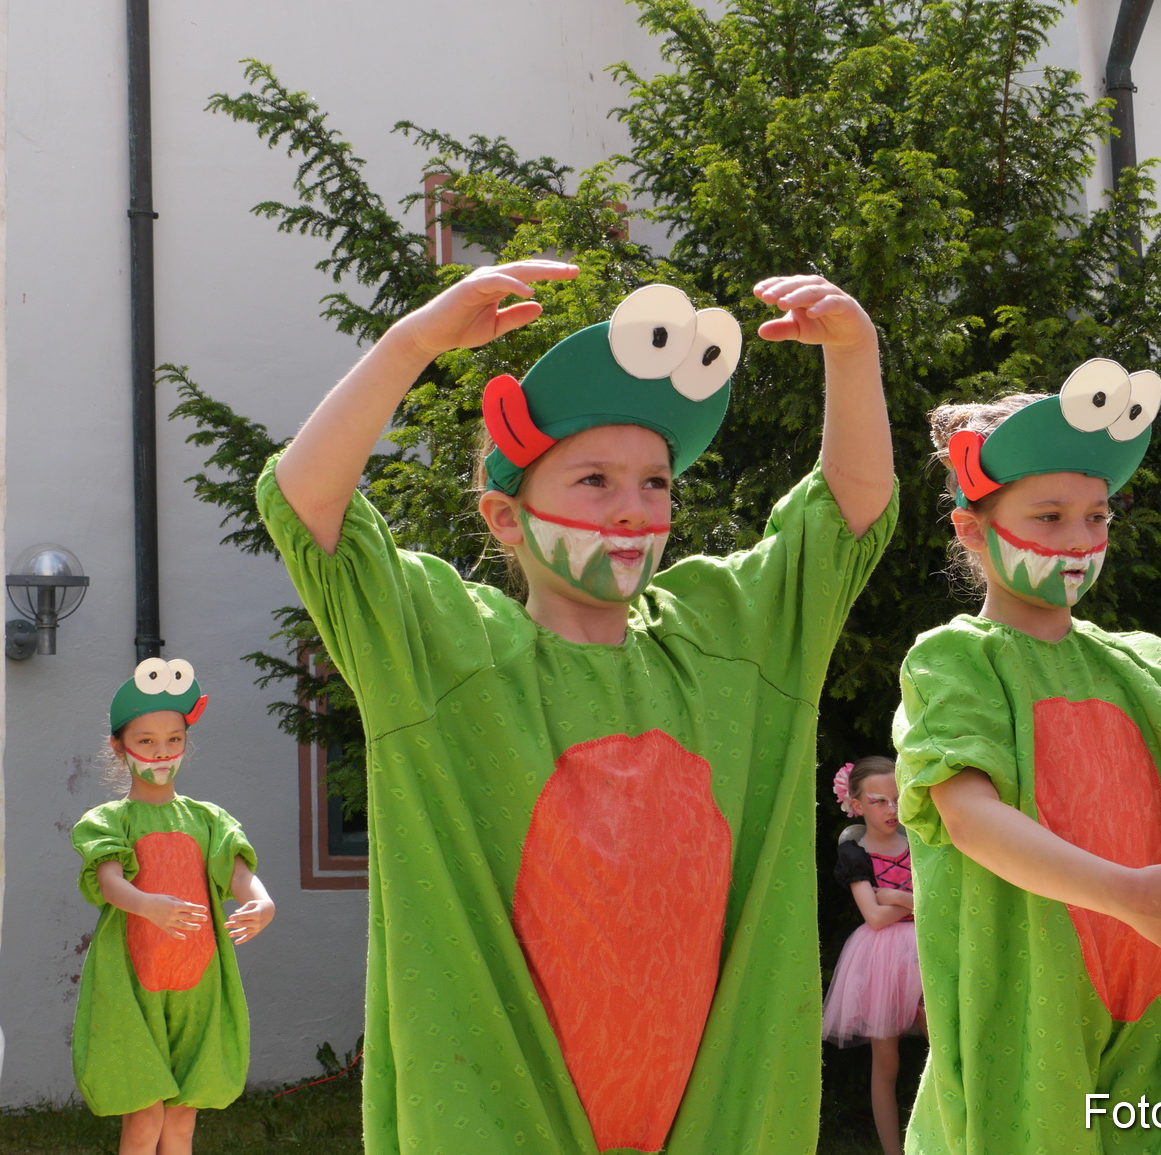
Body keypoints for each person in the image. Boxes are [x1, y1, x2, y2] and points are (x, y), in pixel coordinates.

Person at [258, 264, 896, 1153]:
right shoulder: (449, 650)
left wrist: (855, 353)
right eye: (593, 480)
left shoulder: (728, 644)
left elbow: (849, 516)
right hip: (504, 1113)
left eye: (656, 483)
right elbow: (304, 502)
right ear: (507, 518)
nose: (633, 509)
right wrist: (415, 342)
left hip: (713, 1114)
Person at [893, 363, 1161, 1155]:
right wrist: (1127, 894)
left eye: (1096, 517)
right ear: (972, 528)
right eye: (1049, 516)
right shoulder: (955, 661)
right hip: (1024, 1021)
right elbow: (969, 817)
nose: (1079, 540)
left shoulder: (1153, 668)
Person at [70, 659, 275, 1155]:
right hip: (131, 982)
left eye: (173, 740)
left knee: (181, 1123)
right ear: (119, 748)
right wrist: (146, 905)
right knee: (144, 1117)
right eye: (146, 741)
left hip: (199, 982)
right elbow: (109, 881)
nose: (162, 753)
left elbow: (238, 874)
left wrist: (262, 902)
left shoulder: (208, 819)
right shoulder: (109, 820)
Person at [822, 756, 923, 1155]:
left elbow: (933, 904)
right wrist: (914, 902)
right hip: (881, 960)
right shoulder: (854, 852)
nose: (892, 810)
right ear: (858, 805)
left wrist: (895, 895)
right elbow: (876, 918)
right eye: (879, 801)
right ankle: (892, 1151)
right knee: (887, 1063)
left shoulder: (917, 841)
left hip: (925, 951)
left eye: (897, 799)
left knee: (945, 1044)